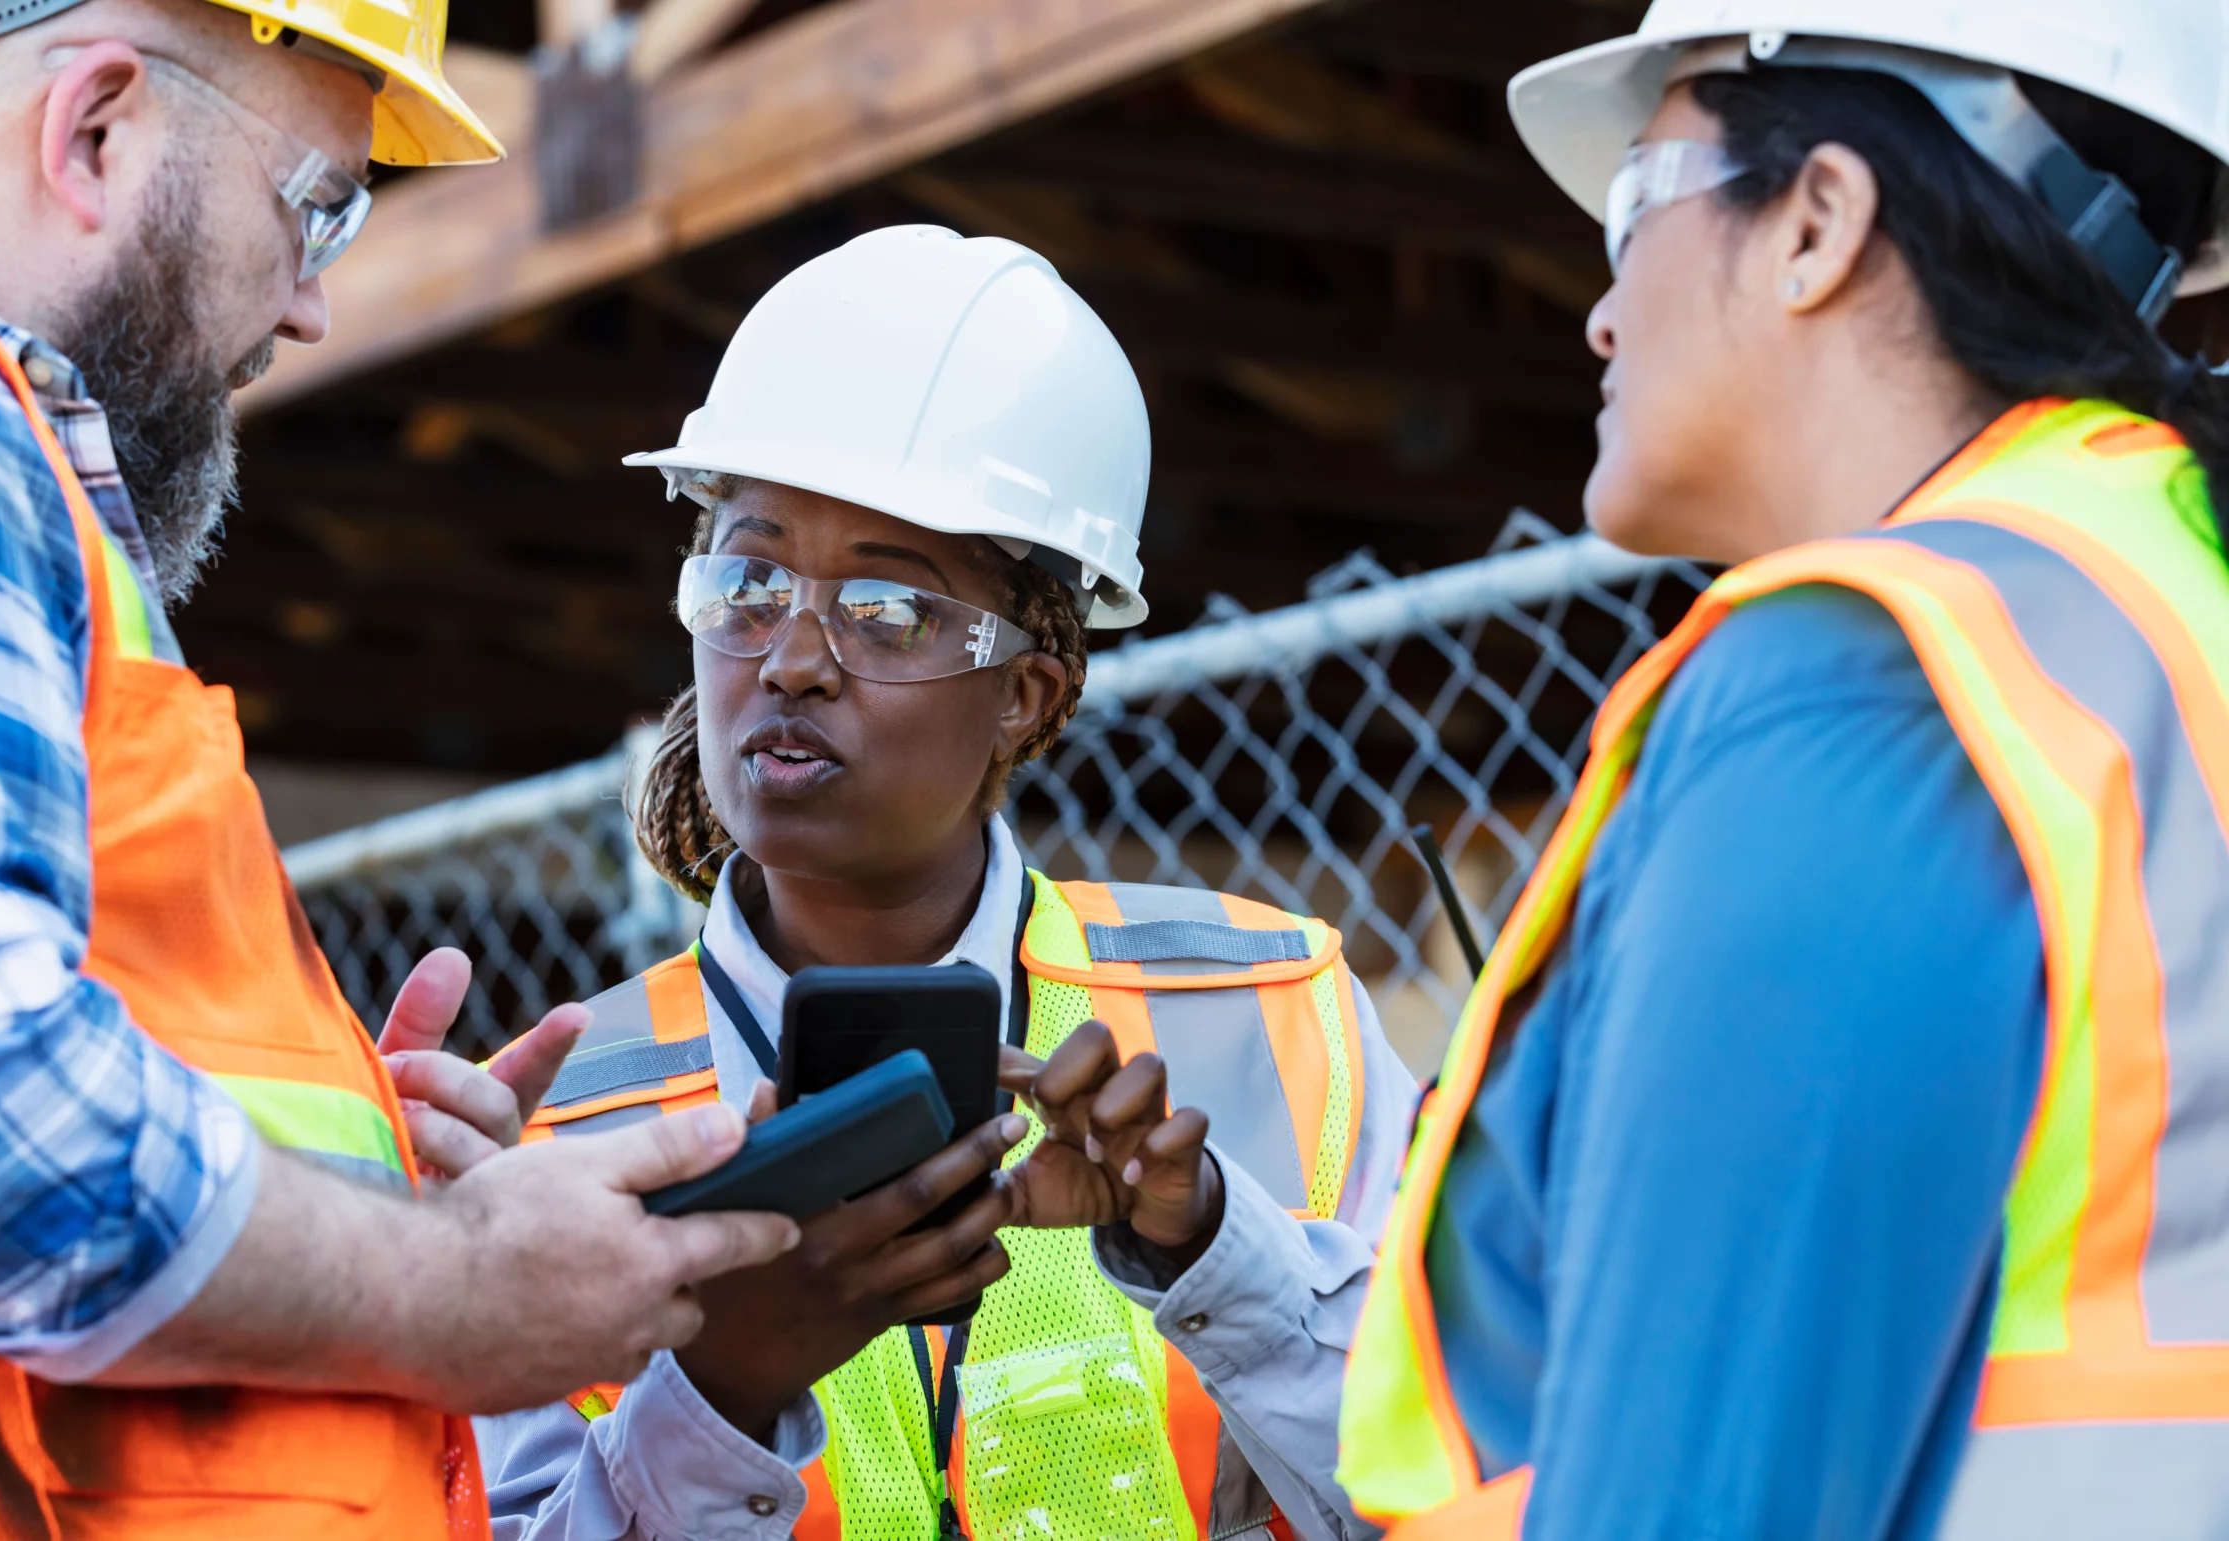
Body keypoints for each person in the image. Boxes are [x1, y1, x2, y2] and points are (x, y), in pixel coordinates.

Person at [0, 0, 796, 1534]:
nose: (315, 306)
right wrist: (460, 1286)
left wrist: (332, 1158)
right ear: (98, 129)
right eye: (318, 202)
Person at [1233, 1, 2229, 1537]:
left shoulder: (1865, 671)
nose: (1600, 315)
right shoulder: (2161, 604)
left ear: (1819, 221)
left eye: (1640, 202)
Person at [469, 225, 1422, 1540]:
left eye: (889, 609)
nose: (792, 658)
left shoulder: (1275, 1019)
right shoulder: (551, 1126)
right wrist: (720, 1392)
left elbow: (1454, 1485)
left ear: (1027, 692)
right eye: (749, 580)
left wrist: (1210, 1243)